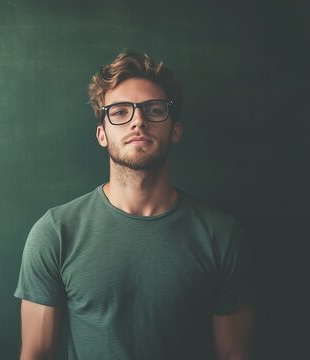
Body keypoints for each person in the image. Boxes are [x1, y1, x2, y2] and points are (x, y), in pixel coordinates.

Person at [14, 51, 256, 360]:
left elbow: (235, 355)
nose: (138, 121)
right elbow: (36, 353)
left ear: (175, 130)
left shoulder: (221, 237)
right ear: (102, 134)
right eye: (120, 111)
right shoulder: (56, 232)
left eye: (154, 110)